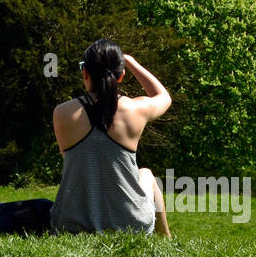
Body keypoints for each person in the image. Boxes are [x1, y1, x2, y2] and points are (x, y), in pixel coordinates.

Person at [50, 39, 172, 237]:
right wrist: (131, 62)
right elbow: (163, 96)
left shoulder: (62, 113)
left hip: (70, 225)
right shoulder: (135, 109)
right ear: (121, 75)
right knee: (147, 175)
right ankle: (166, 240)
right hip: (132, 224)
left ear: (85, 73)